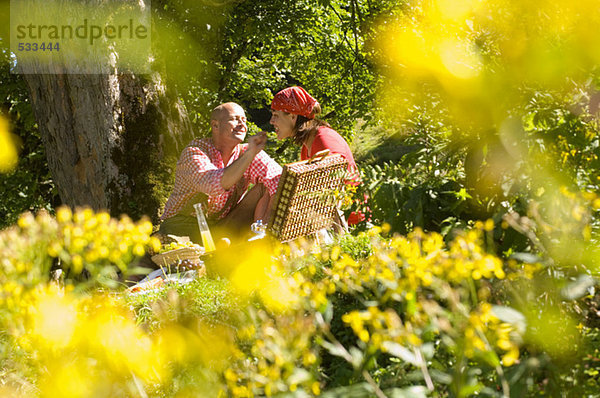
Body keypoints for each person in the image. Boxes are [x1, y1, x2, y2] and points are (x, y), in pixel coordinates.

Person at [159, 102, 282, 243]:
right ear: (215, 125)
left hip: (221, 227)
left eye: (244, 120)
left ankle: (261, 236)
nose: (242, 125)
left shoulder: (247, 151)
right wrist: (249, 155)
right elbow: (213, 185)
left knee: (268, 185)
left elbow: (279, 181)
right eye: (235, 119)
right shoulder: (194, 153)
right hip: (182, 227)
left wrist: (264, 224)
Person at [269, 86, 362, 228]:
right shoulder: (308, 146)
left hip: (351, 223)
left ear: (293, 116)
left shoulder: (324, 140)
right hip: (327, 221)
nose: (271, 121)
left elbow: (337, 189)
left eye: (276, 115)